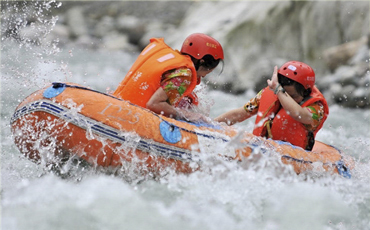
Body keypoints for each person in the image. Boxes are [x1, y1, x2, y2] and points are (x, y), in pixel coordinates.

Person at [215, 61, 329, 151]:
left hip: (293, 156)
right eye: (284, 93)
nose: (285, 98)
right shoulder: (270, 92)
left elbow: (299, 114)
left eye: (291, 96)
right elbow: (240, 114)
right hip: (264, 149)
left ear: (306, 92)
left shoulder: (317, 108)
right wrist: (211, 124)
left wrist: (280, 91)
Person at [113, 33, 224, 121]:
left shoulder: (170, 59)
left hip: (117, 107)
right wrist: (186, 115)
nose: (205, 76)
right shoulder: (184, 75)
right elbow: (154, 104)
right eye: (209, 70)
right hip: (130, 118)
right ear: (202, 62)